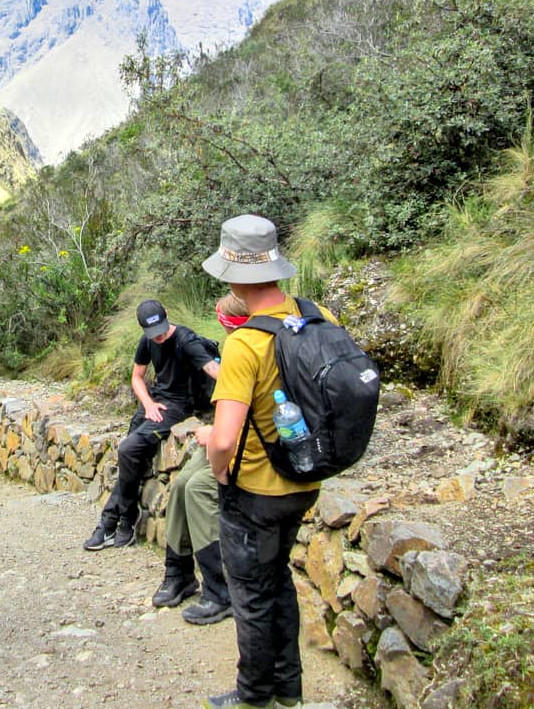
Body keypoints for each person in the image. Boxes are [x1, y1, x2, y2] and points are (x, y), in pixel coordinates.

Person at [195, 215, 332, 709]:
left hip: (256, 491)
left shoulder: (245, 343)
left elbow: (225, 438)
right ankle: (288, 689)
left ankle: (254, 697)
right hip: (306, 477)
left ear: (233, 272)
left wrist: (216, 464)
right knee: (279, 583)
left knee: (251, 596)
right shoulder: (318, 316)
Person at [84, 299, 220, 551]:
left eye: (160, 332)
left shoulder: (186, 341)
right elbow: (137, 377)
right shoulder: (147, 340)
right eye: (152, 334)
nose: (158, 338)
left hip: (176, 407)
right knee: (128, 457)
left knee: (128, 451)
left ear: (167, 315)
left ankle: (118, 520)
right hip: (155, 402)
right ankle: (116, 521)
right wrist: (147, 404)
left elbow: (216, 371)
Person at [152, 293, 249, 625]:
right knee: (180, 484)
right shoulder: (241, 348)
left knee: (198, 489)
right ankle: (178, 573)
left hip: (247, 446)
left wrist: (217, 441)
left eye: (221, 316)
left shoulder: (251, 351)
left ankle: (220, 591)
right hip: (228, 433)